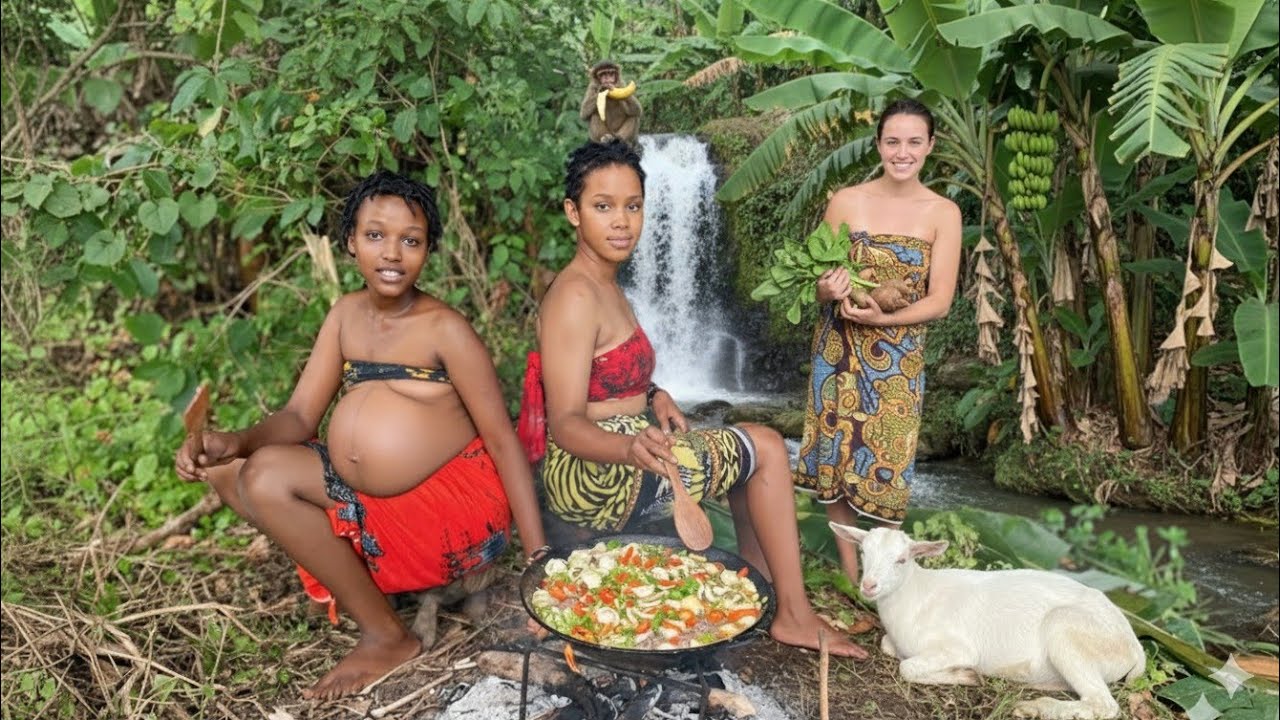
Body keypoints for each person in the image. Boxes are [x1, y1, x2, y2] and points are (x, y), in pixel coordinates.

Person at [174, 170, 547, 700]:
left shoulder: (445, 329)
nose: (392, 253)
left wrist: (538, 556)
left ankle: (386, 636)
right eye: (376, 236)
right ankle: (375, 599)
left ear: (427, 250)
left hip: (453, 509)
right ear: (350, 242)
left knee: (267, 475)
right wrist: (233, 439)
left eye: (410, 240)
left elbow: (503, 440)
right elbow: (300, 417)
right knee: (234, 470)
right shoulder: (346, 315)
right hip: (378, 500)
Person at [516, 139, 866, 658]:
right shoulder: (575, 295)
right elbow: (566, 422)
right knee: (766, 446)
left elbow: (606, 377)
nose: (622, 221)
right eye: (603, 206)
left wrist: (655, 395)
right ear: (573, 212)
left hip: (626, 448)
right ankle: (793, 615)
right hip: (595, 473)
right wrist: (629, 449)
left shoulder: (604, 283)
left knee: (747, 453)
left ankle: (756, 596)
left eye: (633, 206)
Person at [795, 98, 962, 586]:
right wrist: (826, 289)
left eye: (914, 142)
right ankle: (851, 579)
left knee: (888, 473)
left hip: (898, 361)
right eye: (893, 141)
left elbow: (940, 301)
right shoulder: (846, 200)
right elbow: (816, 275)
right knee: (839, 465)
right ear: (879, 144)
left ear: (930, 146)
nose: (902, 152)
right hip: (838, 352)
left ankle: (888, 584)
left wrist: (880, 323)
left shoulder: (943, 212)